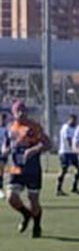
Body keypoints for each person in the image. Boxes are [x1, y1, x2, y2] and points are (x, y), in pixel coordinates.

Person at [5, 101, 50, 238]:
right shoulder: (10, 127)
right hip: (16, 168)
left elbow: (47, 143)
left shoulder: (34, 127)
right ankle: (26, 215)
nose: (21, 113)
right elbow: (8, 144)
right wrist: (5, 150)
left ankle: (37, 225)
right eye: (18, 111)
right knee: (11, 198)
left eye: (23, 110)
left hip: (32, 169)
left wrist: (34, 149)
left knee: (34, 201)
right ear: (13, 113)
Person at [55, 112, 79, 196]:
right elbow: (69, 140)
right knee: (64, 170)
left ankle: (74, 188)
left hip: (73, 153)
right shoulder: (66, 128)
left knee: (78, 170)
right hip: (65, 152)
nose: (75, 122)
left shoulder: (75, 128)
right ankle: (58, 189)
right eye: (74, 120)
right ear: (70, 119)